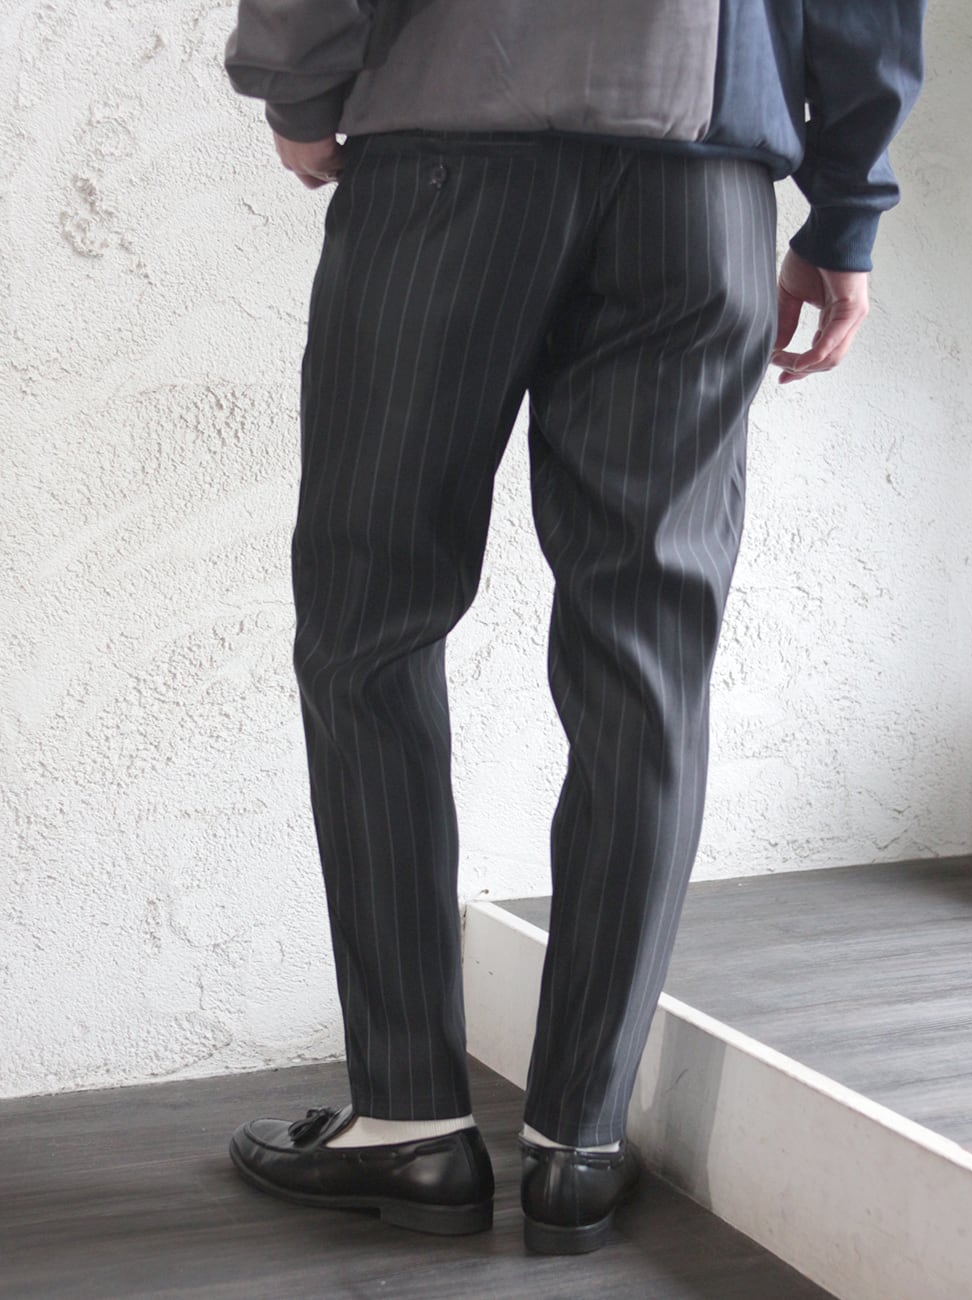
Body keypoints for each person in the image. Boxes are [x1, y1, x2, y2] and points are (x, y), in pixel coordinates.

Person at [223, 0, 926, 1256]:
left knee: (370, 628)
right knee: (645, 658)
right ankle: (578, 1143)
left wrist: (298, 83)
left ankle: (410, 1122)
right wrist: (845, 207)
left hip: (445, 163)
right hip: (698, 187)